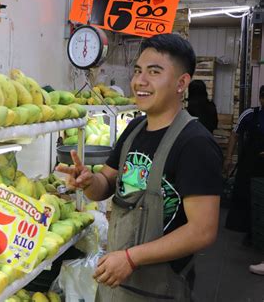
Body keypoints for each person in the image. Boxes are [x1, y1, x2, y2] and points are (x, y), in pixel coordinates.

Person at [57, 34, 222, 301]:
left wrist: (132, 258)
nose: (139, 81)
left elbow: (202, 231)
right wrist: (88, 181)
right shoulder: (135, 129)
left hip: (159, 288)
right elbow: (106, 185)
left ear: (182, 83)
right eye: (137, 71)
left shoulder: (195, 144)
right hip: (116, 278)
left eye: (154, 72)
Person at [224, 86, 264, 236]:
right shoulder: (250, 114)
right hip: (249, 162)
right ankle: (242, 226)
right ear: (260, 98)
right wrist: (228, 158)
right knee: (244, 192)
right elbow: (234, 135)